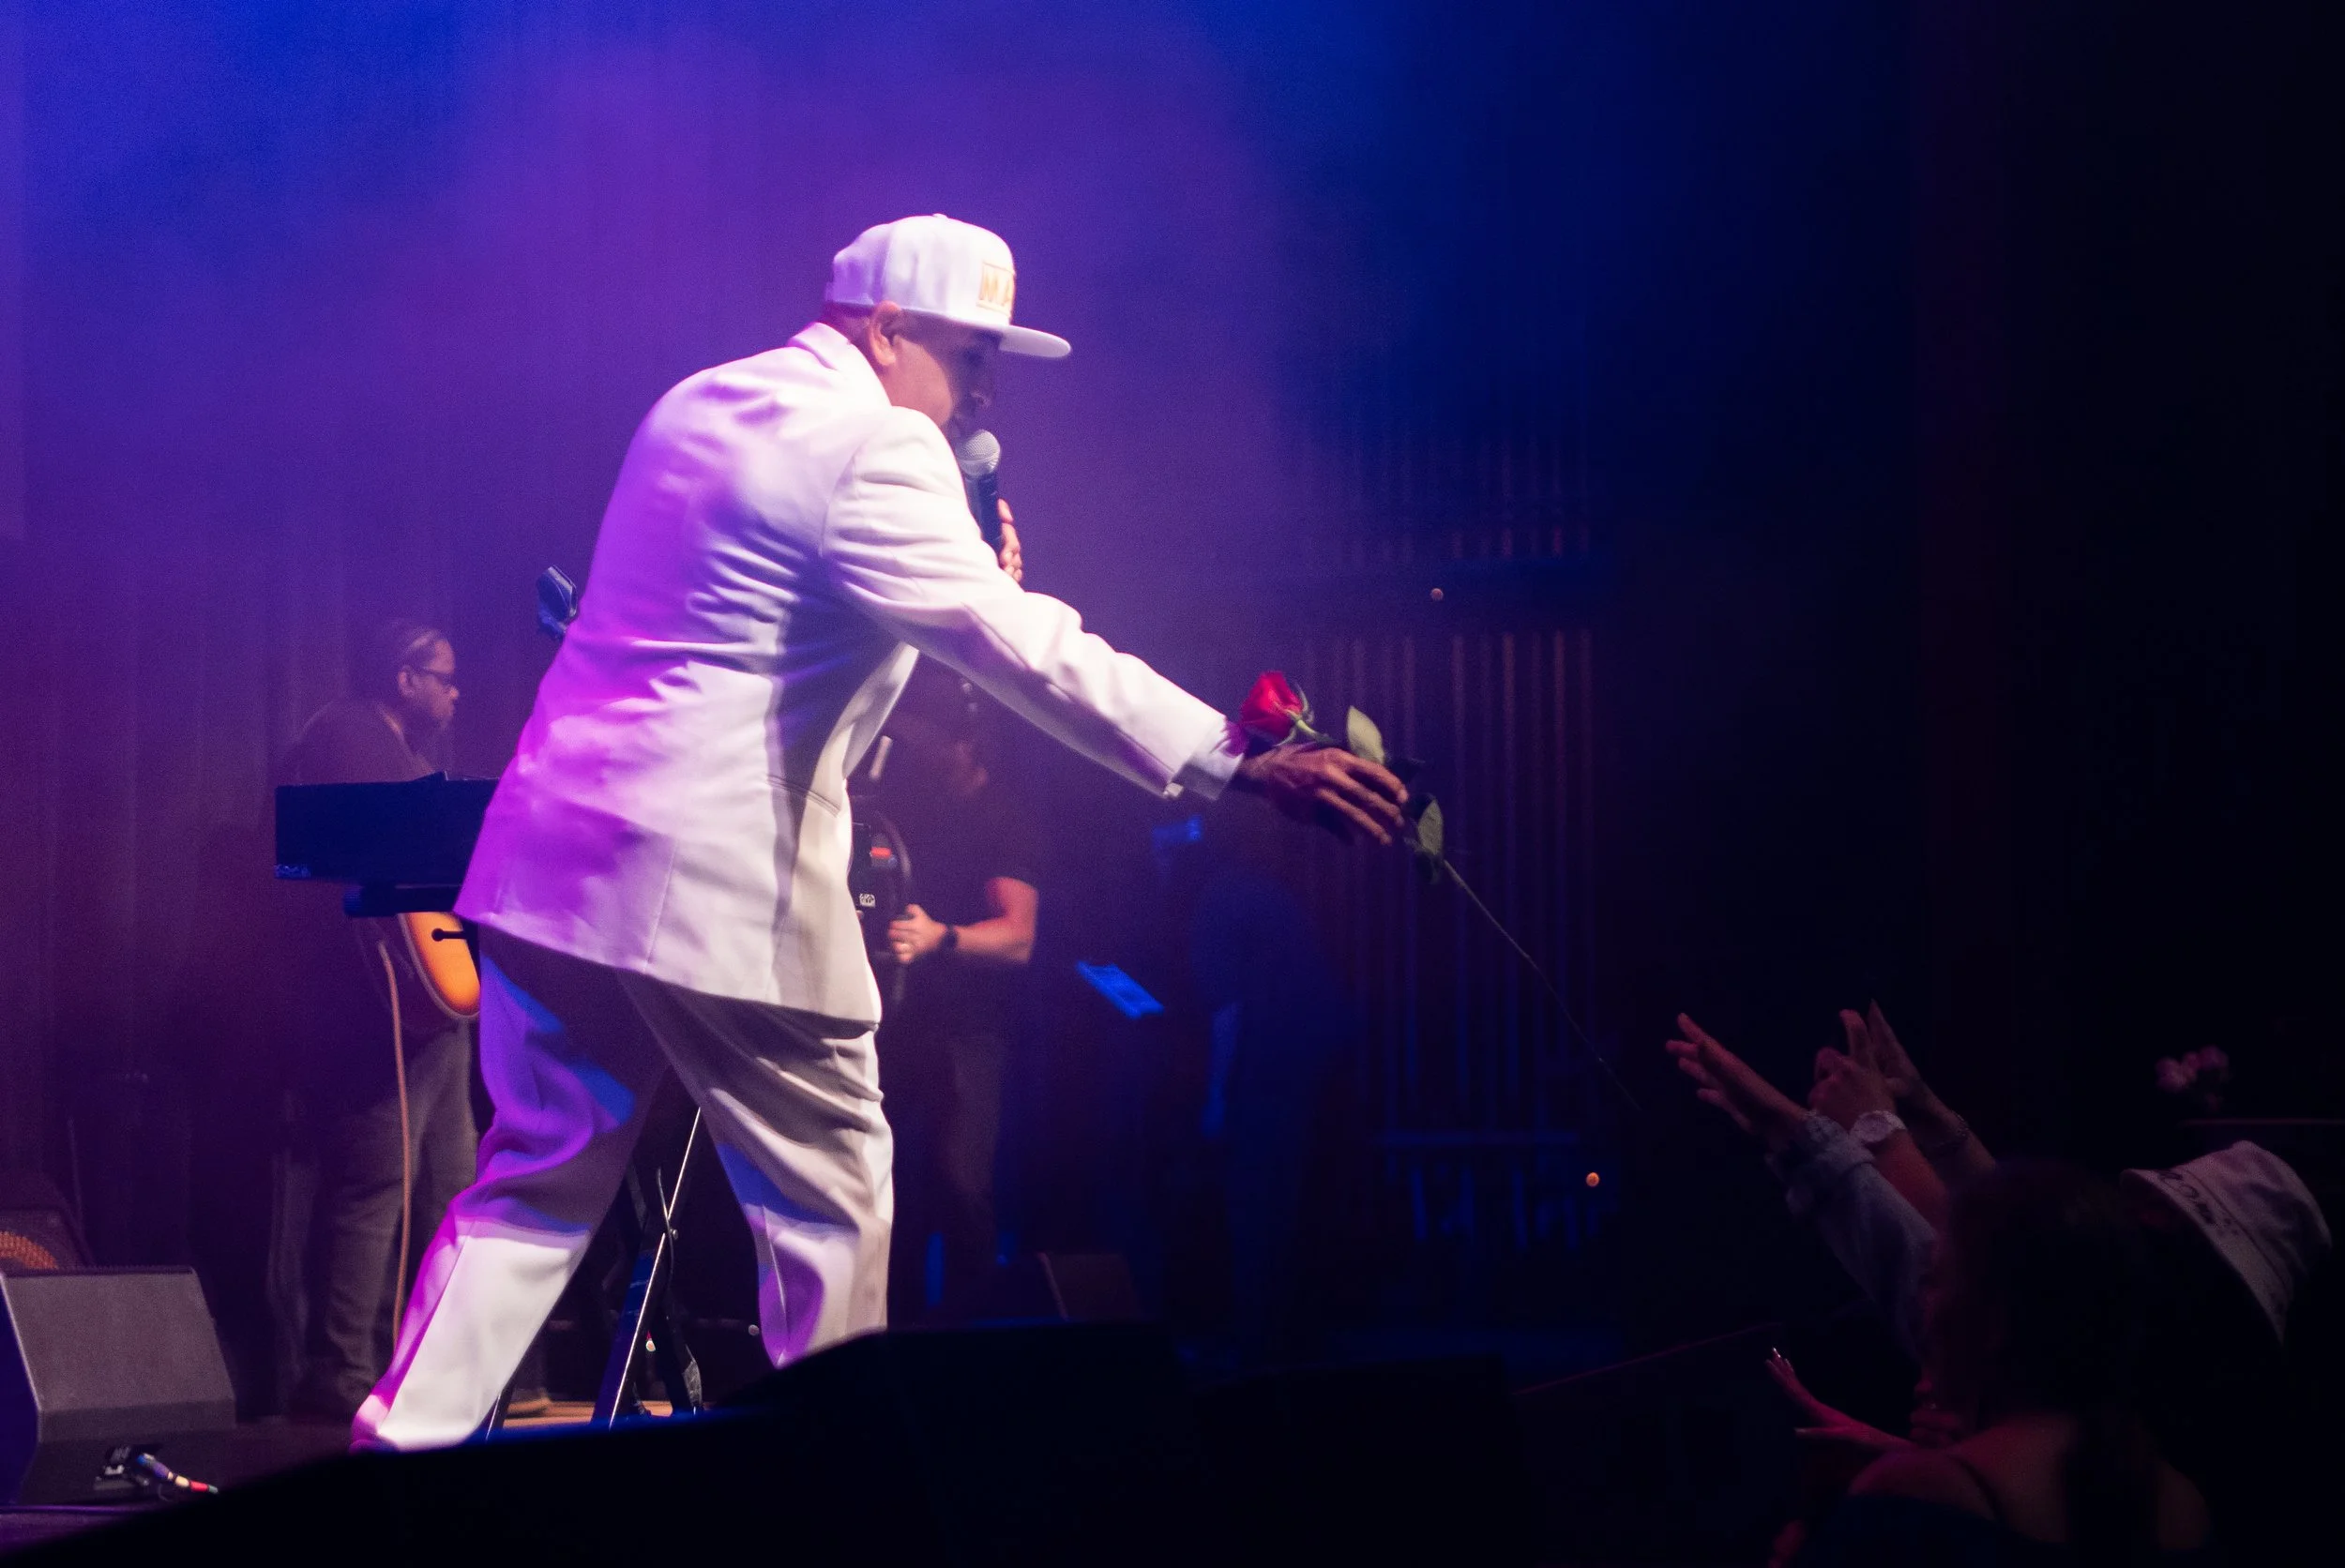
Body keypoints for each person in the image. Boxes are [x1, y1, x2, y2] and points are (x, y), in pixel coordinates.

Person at [355, 215, 1408, 1449]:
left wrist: (971, 576)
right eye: (970, 356)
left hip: (556, 859)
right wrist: (1240, 754)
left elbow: (770, 639)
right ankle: (842, 1484)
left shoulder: (696, 403)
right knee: (833, 1197)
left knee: (537, 1179)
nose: (984, 393)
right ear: (888, 330)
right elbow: (1029, 654)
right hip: (711, 876)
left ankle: (396, 1458)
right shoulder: (880, 444)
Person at [1799, 1161, 2215, 1565]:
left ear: (1994, 1317)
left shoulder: (1913, 1499)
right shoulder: (2186, 1508)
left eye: (1935, 1279)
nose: (1924, 1305)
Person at [274, 619, 478, 1422]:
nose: (455, 691)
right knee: (375, 1191)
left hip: (433, 1012)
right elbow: (328, 863)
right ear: (403, 678)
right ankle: (340, 1376)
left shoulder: (410, 755)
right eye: (443, 677)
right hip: (374, 1015)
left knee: (450, 1190)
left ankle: (436, 1372)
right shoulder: (347, 734)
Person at [866, 664, 1041, 1320]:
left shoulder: (1005, 819)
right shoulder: (906, 807)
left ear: (963, 741)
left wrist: (941, 938)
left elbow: (1018, 938)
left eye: (924, 738)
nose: (913, 751)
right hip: (901, 1025)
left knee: (959, 1184)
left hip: (969, 1036)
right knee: (893, 1187)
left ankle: (976, 1339)